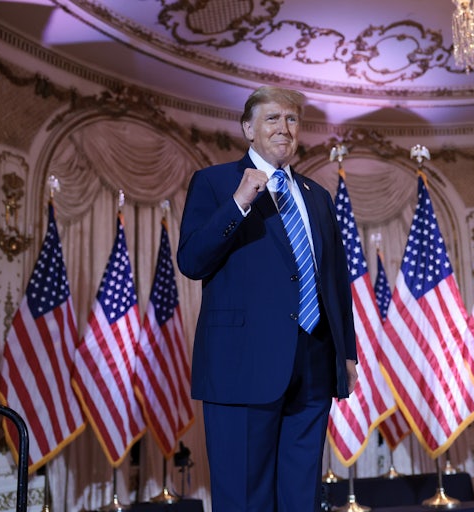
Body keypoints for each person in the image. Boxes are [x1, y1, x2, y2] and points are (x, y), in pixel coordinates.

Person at [177, 85, 358, 511]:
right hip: (242, 364)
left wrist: (346, 353)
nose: (284, 128)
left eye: (292, 119)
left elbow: (334, 279)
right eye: (272, 118)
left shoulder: (318, 196)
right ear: (248, 129)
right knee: (244, 497)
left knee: (301, 496)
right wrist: (239, 202)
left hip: (313, 361)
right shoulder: (215, 183)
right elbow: (191, 260)